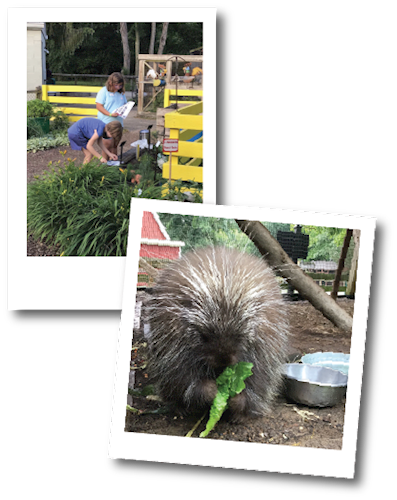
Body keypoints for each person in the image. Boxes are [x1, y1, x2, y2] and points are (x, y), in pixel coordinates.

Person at [95, 72, 127, 160]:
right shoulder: (104, 91)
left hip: (118, 123)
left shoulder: (121, 93)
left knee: (115, 145)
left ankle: (114, 165)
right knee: (106, 146)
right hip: (106, 122)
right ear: (111, 83)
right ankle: (105, 166)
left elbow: (124, 104)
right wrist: (110, 114)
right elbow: (99, 106)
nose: (118, 88)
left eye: (120, 85)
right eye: (116, 85)